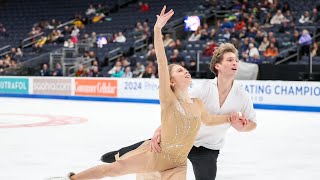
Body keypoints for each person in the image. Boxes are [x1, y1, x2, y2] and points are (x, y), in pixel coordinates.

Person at [45, 6, 243, 180]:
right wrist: (157, 29)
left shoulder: (197, 103)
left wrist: (230, 118)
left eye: (185, 69)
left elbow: (208, 120)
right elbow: (162, 61)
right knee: (113, 170)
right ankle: (71, 179)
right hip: (155, 156)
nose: (186, 71)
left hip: (178, 163)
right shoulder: (168, 100)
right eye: (180, 70)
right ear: (171, 81)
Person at [101, 21, 257, 180]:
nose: (235, 63)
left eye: (236, 60)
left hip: (208, 148)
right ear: (217, 65)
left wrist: (243, 127)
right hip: (182, 138)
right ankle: (120, 153)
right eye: (230, 60)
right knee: (151, 143)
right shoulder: (204, 89)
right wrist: (160, 130)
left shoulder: (242, 95)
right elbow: (178, 108)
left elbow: (252, 123)